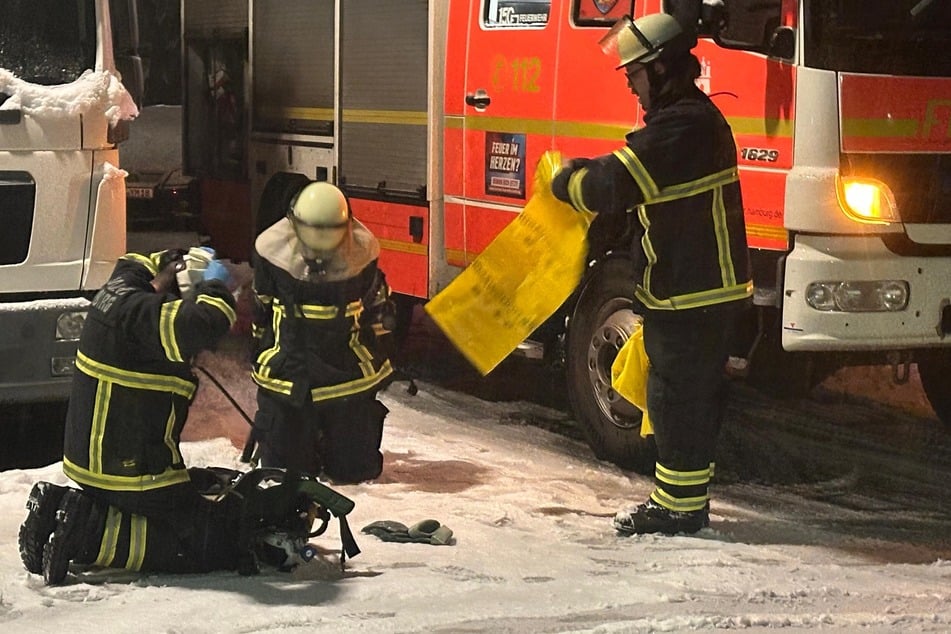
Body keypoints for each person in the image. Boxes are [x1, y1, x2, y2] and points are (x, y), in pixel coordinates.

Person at [551, 12, 752, 535]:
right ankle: (681, 500)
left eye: (635, 74)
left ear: (661, 69)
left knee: (676, 399)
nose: (631, 85)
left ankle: (679, 509)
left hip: (694, 291)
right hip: (691, 288)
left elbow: (611, 184)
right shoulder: (684, 122)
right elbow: (641, 193)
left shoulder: (684, 125)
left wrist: (565, 181)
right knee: (679, 397)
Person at [17, 248, 320, 584]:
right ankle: (90, 535)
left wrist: (172, 260)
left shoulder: (119, 292)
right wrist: (215, 287)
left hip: (93, 461)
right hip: (130, 471)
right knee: (204, 538)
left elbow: (132, 263)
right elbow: (203, 322)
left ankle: (59, 509)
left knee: (206, 487)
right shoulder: (149, 318)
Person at [249, 180, 395, 484]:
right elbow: (376, 310)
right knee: (289, 477)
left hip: (296, 377)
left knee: (342, 474)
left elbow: (261, 309)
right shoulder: (360, 252)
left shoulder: (271, 253)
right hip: (330, 377)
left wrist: (259, 346)